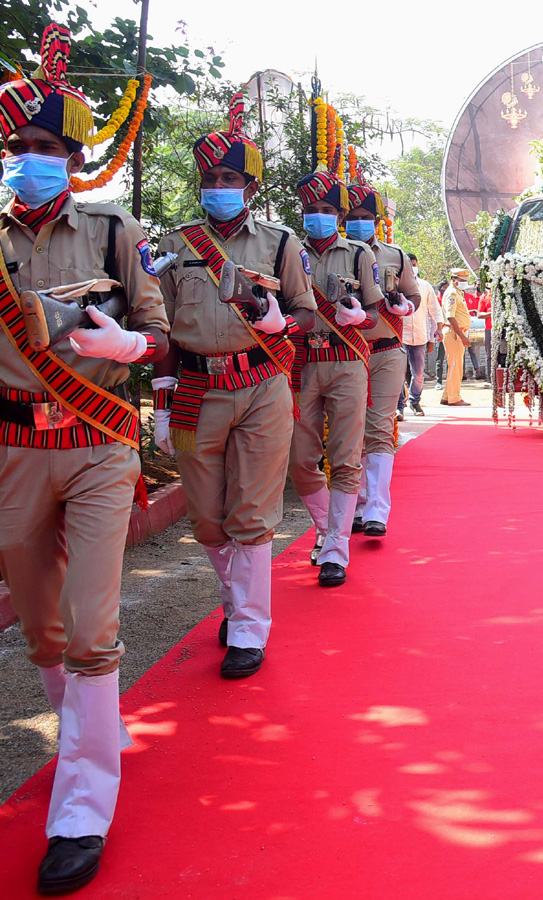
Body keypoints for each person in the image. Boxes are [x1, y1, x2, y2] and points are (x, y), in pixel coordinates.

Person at [0, 25, 169, 892]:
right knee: (42, 627)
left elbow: (162, 338)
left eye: (45, 150)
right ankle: (88, 733)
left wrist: (127, 345)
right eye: (17, 147)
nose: (27, 160)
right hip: (14, 448)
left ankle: (81, 806)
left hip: (100, 445)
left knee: (94, 625)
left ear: (72, 160)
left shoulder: (111, 233)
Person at [154, 94, 316, 679]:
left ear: (248, 185)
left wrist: (279, 322)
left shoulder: (279, 244)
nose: (217, 185)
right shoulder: (175, 245)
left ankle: (249, 627)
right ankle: (235, 601)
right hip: (196, 391)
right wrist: (162, 400)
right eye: (210, 176)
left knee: (251, 513)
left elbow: (305, 313)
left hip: (261, 386)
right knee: (207, 517)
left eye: (228, 177)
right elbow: (160, 326)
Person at [289, 169, 384, 588]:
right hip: (299, 363)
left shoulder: (360, 254)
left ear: (340, 212)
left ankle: (336, 550)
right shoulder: (287, 249)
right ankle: (326, 529)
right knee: (299, 457)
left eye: (326, 210)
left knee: (345, 457)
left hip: (347, 361)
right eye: (311, 210)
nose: (318, 217)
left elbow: (378, 314)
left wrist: (360, 316)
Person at [344, 177, 419, 538]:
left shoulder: (395, 255)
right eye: (352, 216)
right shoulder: (336, 254)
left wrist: (405, 306)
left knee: (378, 428)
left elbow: (413, 295)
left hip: (386, 351)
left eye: (365, 217)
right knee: (349, 430)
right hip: (344, 353)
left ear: (376, 221)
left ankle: (376, 509)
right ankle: (356, 505)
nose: (359, 223)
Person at [402, 252, 443, 416]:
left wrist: (438, 330)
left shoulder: (425, 286)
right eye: (408, 264)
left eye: (414, 263)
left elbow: (435, 310)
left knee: (418, 373)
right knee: (397, 373)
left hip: (419, 336)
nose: (412, 267)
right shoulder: (398, 285)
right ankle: (399, 406)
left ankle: (415, 401)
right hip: (401, 336)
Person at [440, 269, 472, 406]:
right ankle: (454, 397)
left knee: (454, 365)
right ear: (454, 280)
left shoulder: (458, 292)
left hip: (456, 332)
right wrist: (462, 337)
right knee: (455, 366)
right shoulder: (452, 293)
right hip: (454, 333)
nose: (465, 283)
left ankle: (447, 395)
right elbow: (450, 316)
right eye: (462, 280)